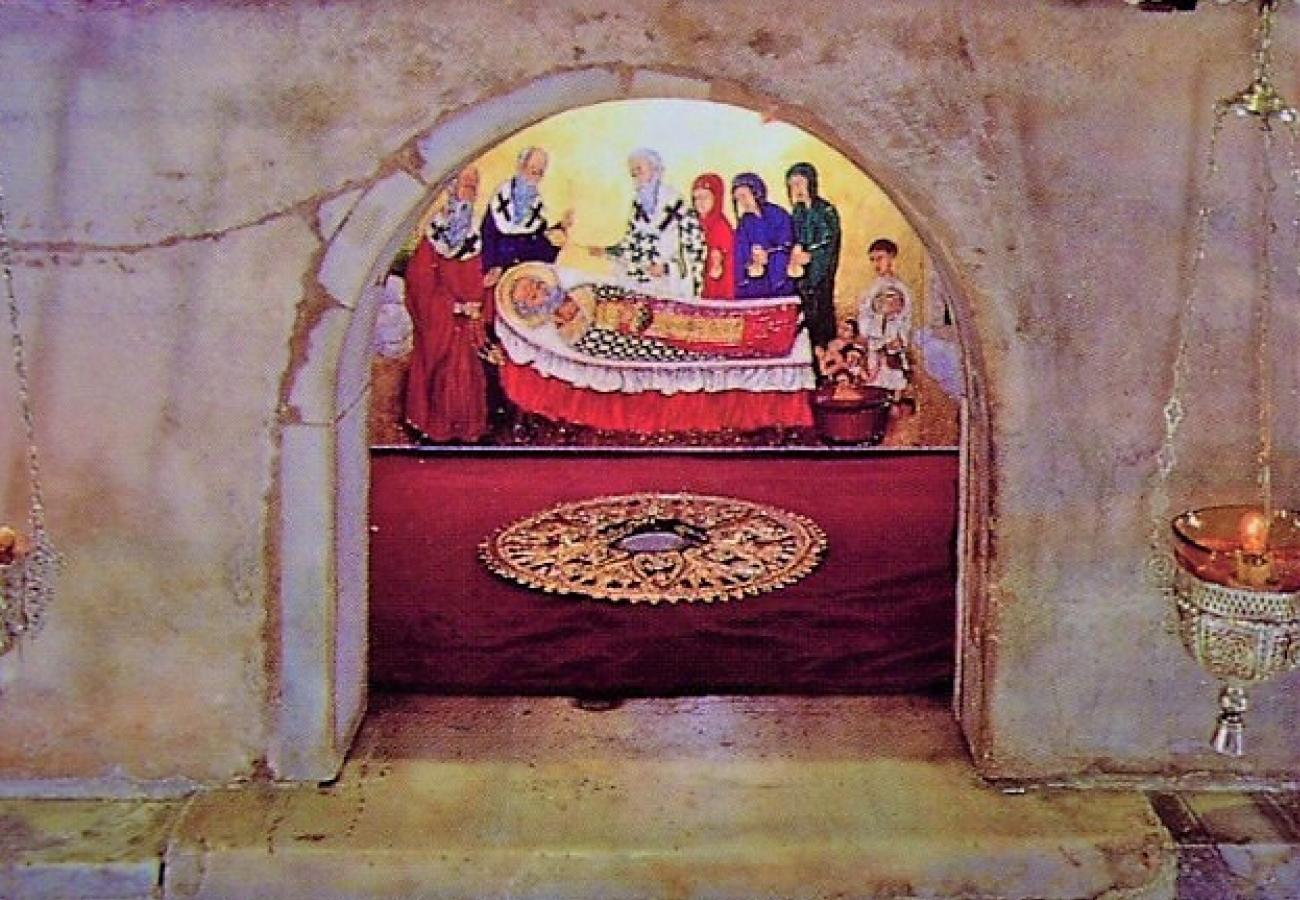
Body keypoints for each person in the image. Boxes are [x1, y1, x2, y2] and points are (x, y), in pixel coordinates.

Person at [403, 167, 494, 443]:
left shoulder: (475, 233)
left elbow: (477, 274)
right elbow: (420, 286)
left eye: (474, 188)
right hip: (442, 324)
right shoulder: (435, 235)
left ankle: (466, 430)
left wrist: (484, 288)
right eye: (466, 186)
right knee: (443, 376)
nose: (470, 193)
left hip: (467, 325)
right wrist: (454, 308)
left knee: (467, 376)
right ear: (451, 188)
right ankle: (436, 430)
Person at [591, 148, 705, 297]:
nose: (636, 178)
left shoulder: (678, 206)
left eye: (639, 170)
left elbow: (694, 252)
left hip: (669, 285)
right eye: (633, 174)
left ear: (656, 171)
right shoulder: (638, 206)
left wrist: (667, 268)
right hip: (638, 280)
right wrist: (608, 251)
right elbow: (629, 243)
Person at [480, 146, 572, 283]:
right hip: (497, 272)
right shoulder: (500, 199)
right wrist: (493, 265)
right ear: (521, 167)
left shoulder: (538, 208)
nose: (535, 177)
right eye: (532, 170)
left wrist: (561, 229)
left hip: (523, 275)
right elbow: (488, 235)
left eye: (540, 172)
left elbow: (539, 248)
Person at [785, 162, 842, 353]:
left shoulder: (825, 211)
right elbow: (795, 239)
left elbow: (829, 242)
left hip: (820, 275)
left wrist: (810, 255)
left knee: (821, 313)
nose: (797, 189)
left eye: (800, 183)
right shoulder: (798, 212)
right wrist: (795, 252)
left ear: (811, 183)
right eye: (793, 185)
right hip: (802, 277)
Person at [731, 172, 794, 299]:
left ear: (756, 193)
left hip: (778, 276)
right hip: (755, 278)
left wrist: (768, 255)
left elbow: (787, 245)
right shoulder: (745, 222)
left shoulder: (778, 215)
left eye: (744, 196)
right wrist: (749, 263)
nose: (742, 202)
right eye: (738, 199)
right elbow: (740, 251)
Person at [690, 172, 735, 299]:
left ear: (716, 198)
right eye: (696, 198)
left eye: (705, 197)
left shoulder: (721, 227)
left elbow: (718, 264)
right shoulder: (693, 224)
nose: (700, 202)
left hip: (717, 290)